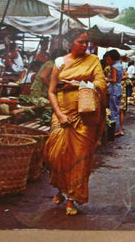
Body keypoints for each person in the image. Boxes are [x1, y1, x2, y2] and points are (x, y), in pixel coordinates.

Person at [44, 28, 107, 216]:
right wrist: (60, 114)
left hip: (85, 116)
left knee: (79, 158)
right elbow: (51, 91)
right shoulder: (59, 63)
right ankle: (61, 189)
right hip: (62, 114)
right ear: (70, 43)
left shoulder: (93, 60)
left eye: (87, 42)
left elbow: (101, 84)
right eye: (81, 42)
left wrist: (79, 84)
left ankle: (72, 198)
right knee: (56, 156)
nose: (85, 45)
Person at [105, 49, 124, 136]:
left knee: (113, 110)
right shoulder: (120, 65)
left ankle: (115, 130)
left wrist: (106, 79)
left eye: (109, 58)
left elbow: (114, 79)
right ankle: (118, 129)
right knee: (117, 109)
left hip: (114, 88)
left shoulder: (114, 67)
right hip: (119, 88)